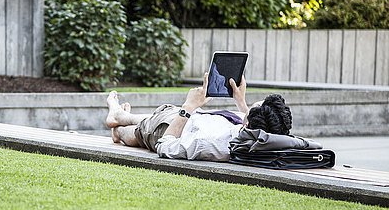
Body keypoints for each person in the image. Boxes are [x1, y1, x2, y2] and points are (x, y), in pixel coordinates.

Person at [105, 73, 294, 162]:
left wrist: (189, 106)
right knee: (154, 116)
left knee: (142, 130)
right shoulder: (263, 136)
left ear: (247, 126)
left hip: (170, 128)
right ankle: (120, 116)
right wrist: (241, 101)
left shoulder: (211, 145)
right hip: (191, 120)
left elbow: (164, 145)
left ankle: (118, 127)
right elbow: (250, 123)